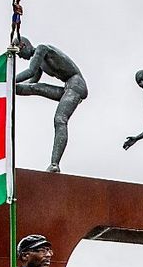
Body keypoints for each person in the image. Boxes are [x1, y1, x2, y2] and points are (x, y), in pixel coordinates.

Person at [15, 37, 88, 173]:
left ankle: (54, 164)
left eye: (19, 54)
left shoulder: (42, 49)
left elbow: (30, 72)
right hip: (67, 87)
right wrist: (4, 84)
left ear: (23, 45)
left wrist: (9, 80)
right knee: (36, 88)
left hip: (76, 85)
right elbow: (31, 84)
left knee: (60, 119)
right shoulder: (38, 62)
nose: (20, 57)